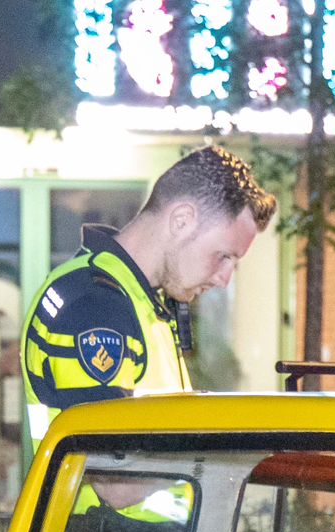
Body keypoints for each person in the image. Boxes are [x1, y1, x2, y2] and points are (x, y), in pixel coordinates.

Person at [21, 144, 276, 442]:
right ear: (181, 220)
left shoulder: (139, 300)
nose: (224, 279)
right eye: (223, 256)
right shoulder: (95, 305)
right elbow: (108, 467)